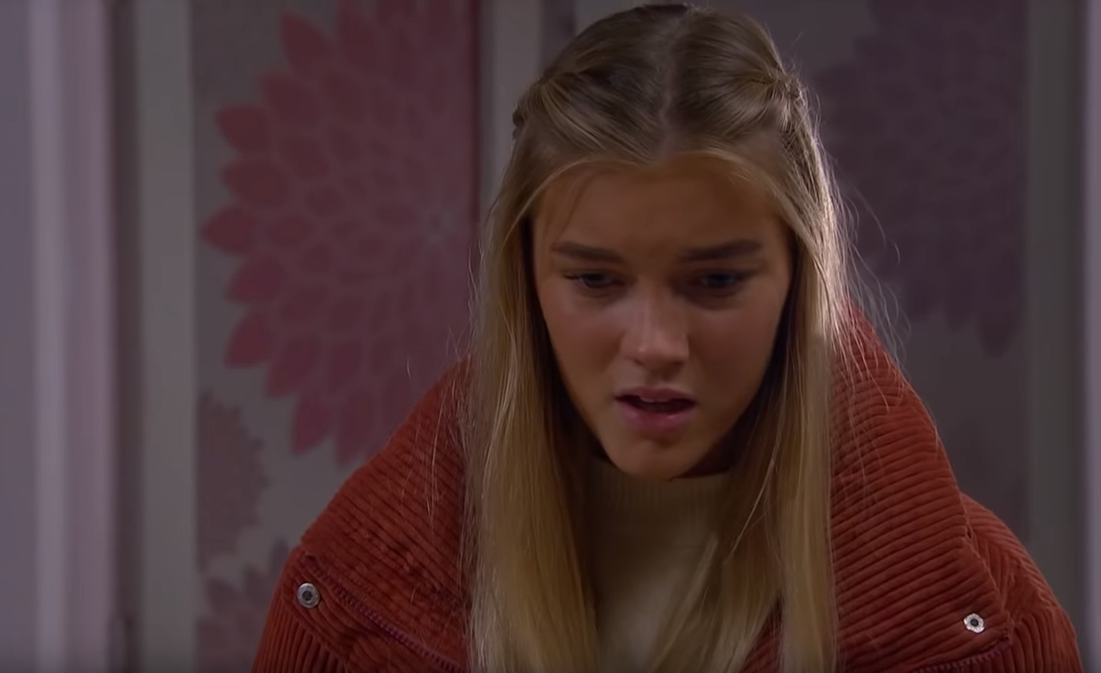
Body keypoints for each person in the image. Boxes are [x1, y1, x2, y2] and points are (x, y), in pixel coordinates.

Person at [252, 5, 1082, 672]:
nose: (654, 344)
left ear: (798, 280)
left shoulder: (986, 621)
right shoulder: (352, 606)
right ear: (524, 280)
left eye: (714, 281)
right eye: (595, 280)